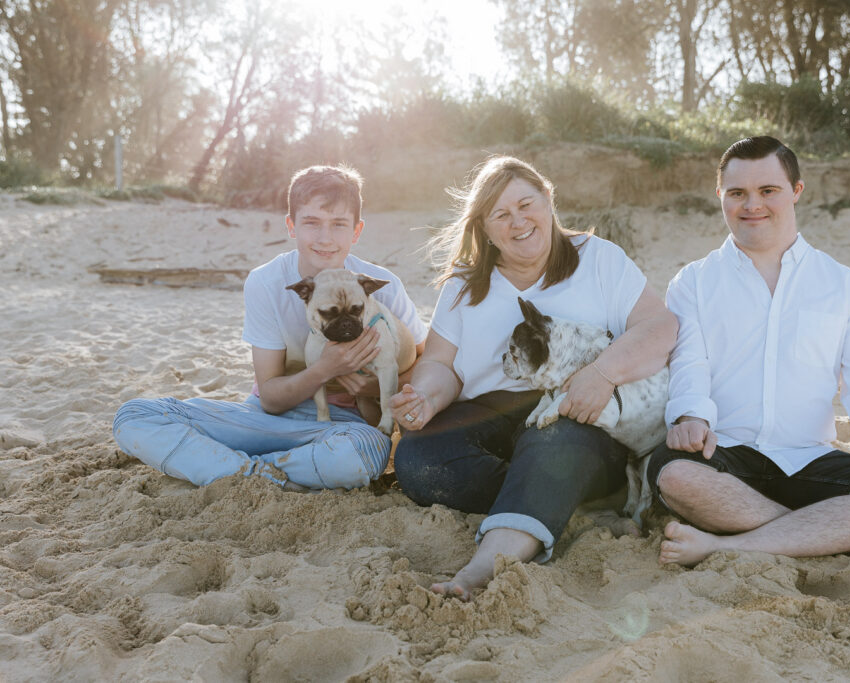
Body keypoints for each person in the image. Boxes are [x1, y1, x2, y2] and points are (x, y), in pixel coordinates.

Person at [390, 156, 677, 600]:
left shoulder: (599, 260)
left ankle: (484, 565)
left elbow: (660, 328)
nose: (518, 222)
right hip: (487, 413)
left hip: (576, 416)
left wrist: (601, 374)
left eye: (527, 205)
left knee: (554, 451)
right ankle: (556, 503)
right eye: (501, 215)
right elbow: (440, 365)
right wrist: (425, 396)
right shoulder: (465, 284)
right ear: (484, 229)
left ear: (549, 199)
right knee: (418, 460)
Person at [648, 136, 850, 566]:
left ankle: (727, 544)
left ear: (796, 191)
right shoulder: (694, 281)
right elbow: (689, 362)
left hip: (810, 458)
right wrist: (690, 416)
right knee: (676, 475)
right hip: (724, 454)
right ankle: (829, 535)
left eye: (768, 191)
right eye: (737, 193)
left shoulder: (842, 284)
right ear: (720, 195)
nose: (751, 205)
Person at [113, 165, 427, 490]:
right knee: (134, 416)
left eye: (338, 225)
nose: (325, 238)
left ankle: (232, 470)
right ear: (291, 225)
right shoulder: (266, 282)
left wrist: (370, 388)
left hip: (341, 429)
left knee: (365, 453)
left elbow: (429, 364)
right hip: (264, 421)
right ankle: (265, 474)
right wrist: (325, 370)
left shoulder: (381, 286)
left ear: (356, 231)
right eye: (311, 223)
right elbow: (271, 400)